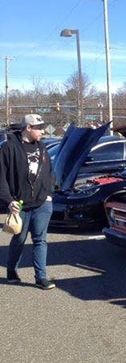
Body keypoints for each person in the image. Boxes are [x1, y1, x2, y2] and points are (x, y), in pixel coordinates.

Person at [0, 114, 55, 290]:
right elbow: (1, 178)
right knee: (20, 238)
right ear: (28, 128)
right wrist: (9, 201)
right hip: (20, 204)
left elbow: (50, 172)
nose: (42, 130)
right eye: (38, 127)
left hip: (42, 203)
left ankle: (41, 277)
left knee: (40, 240)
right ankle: (12, 270)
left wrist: (49, 193)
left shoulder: (43, 148)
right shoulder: (9, 148)